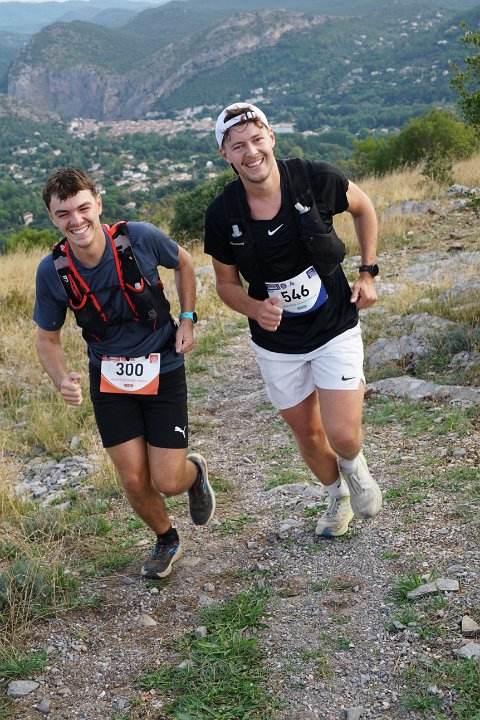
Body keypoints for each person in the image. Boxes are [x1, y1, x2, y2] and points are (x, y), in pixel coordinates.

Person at [204, 103, 382, 538]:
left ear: (271, 137)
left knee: (343, 435)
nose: (251, 152)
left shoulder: (314, 178)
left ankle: (354, 465)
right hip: (277, 343)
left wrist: (368, 272)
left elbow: (364, 208)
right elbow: (225, 284)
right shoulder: (222, 213)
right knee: (309, 436)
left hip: (334, 323)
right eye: (238, 146)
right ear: (225, 155)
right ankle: (337, 495)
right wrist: (254, 308)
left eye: (256, 139)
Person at [34, 167, 215, 579]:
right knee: (134, 480)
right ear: (52, 218)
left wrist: (187, 319)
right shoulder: (53, 271)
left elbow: (184, 263)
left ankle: (193, 474)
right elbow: (47, 340)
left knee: (167, 480)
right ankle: (167, 539)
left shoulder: (140, 238)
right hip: (109, 379)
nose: (76, 220)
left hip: (163, 367)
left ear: (98, 204)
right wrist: (61, 379)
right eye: (64, 214)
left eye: (83, 208)